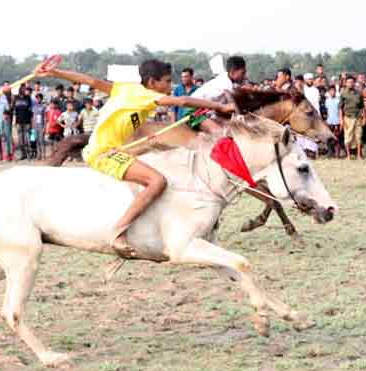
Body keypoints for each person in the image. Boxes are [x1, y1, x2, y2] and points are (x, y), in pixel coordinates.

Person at [35, 59, 235, 258]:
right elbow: (182, 101)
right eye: (166, 81)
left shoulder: (126, 89)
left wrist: (55, 73)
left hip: (112, 150)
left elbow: (90, 80)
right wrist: (221, 107)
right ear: (152, 82)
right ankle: (118, 232)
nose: (169, 86)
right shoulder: (145, 95)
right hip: (103, 154)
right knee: (157, 181)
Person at [339, 75, 365, 160]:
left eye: (352, 82)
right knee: (348, 137)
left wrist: (364, 117)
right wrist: (341, 120)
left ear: (354, 83)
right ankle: (348, 155)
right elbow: (340, 108)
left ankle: (358, 155)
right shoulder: (343, 93)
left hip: (357, 117)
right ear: (346, 83)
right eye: (349, 82)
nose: (350, 84)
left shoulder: (359, 93)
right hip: (347, 118)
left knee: (358, 136)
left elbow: (362, 107)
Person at [12, 86, 33, 160]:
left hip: (27, 121)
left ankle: (29, 154)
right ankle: (22, 154)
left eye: (24, 90)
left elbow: (31, 111)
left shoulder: (28, 98)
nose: (23, 91)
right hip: (18, 121)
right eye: (22, 89)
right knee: (20, 140)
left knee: (27, 139)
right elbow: (13, 109)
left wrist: (31, 122)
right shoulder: (15, 98)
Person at [325, 85, 342, 157]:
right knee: (328, 138)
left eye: (333, 91)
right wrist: (326, 120)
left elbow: (340, 111)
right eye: (330, 91)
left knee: (337, 138)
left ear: (335, 91)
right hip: (329, 122)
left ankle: (337, 154)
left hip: (337, 122)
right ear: (328, 92)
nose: (332, 92)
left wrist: (341, 121)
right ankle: (330, 153)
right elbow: (327, 111)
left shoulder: (338, 100)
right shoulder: (327, 100)